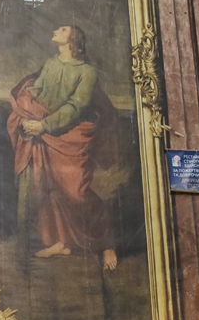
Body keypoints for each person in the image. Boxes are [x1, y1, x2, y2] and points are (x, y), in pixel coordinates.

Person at [7, 25, 119, 269]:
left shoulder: (87, 72)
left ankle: (107, 244)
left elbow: (76, 106)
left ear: (74, 40)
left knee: (78, 192)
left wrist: (43, 125)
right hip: (44, 132)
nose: (57, 30)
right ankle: (61, 242)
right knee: (50, 188)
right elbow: (38, 92)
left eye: (64, 29)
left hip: (71, 134)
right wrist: (27, 109)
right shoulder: (50, 63)